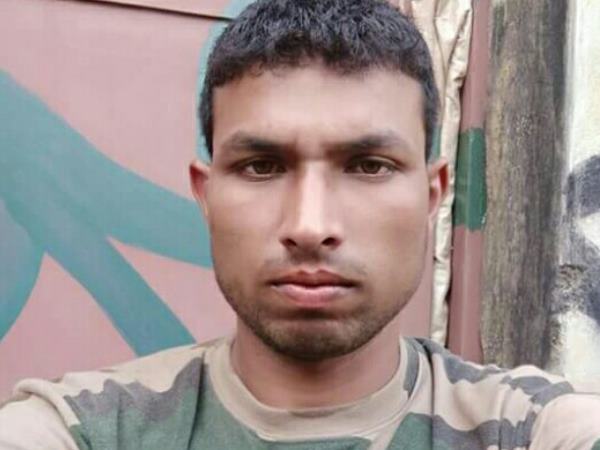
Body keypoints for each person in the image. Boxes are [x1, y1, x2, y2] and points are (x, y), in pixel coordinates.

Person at [1, 0, 599, 448]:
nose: (310, 226)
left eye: (368, 165)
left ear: (431, 193)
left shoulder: (526, 430)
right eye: (262, 166)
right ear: (206, 196)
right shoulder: (88, 430)